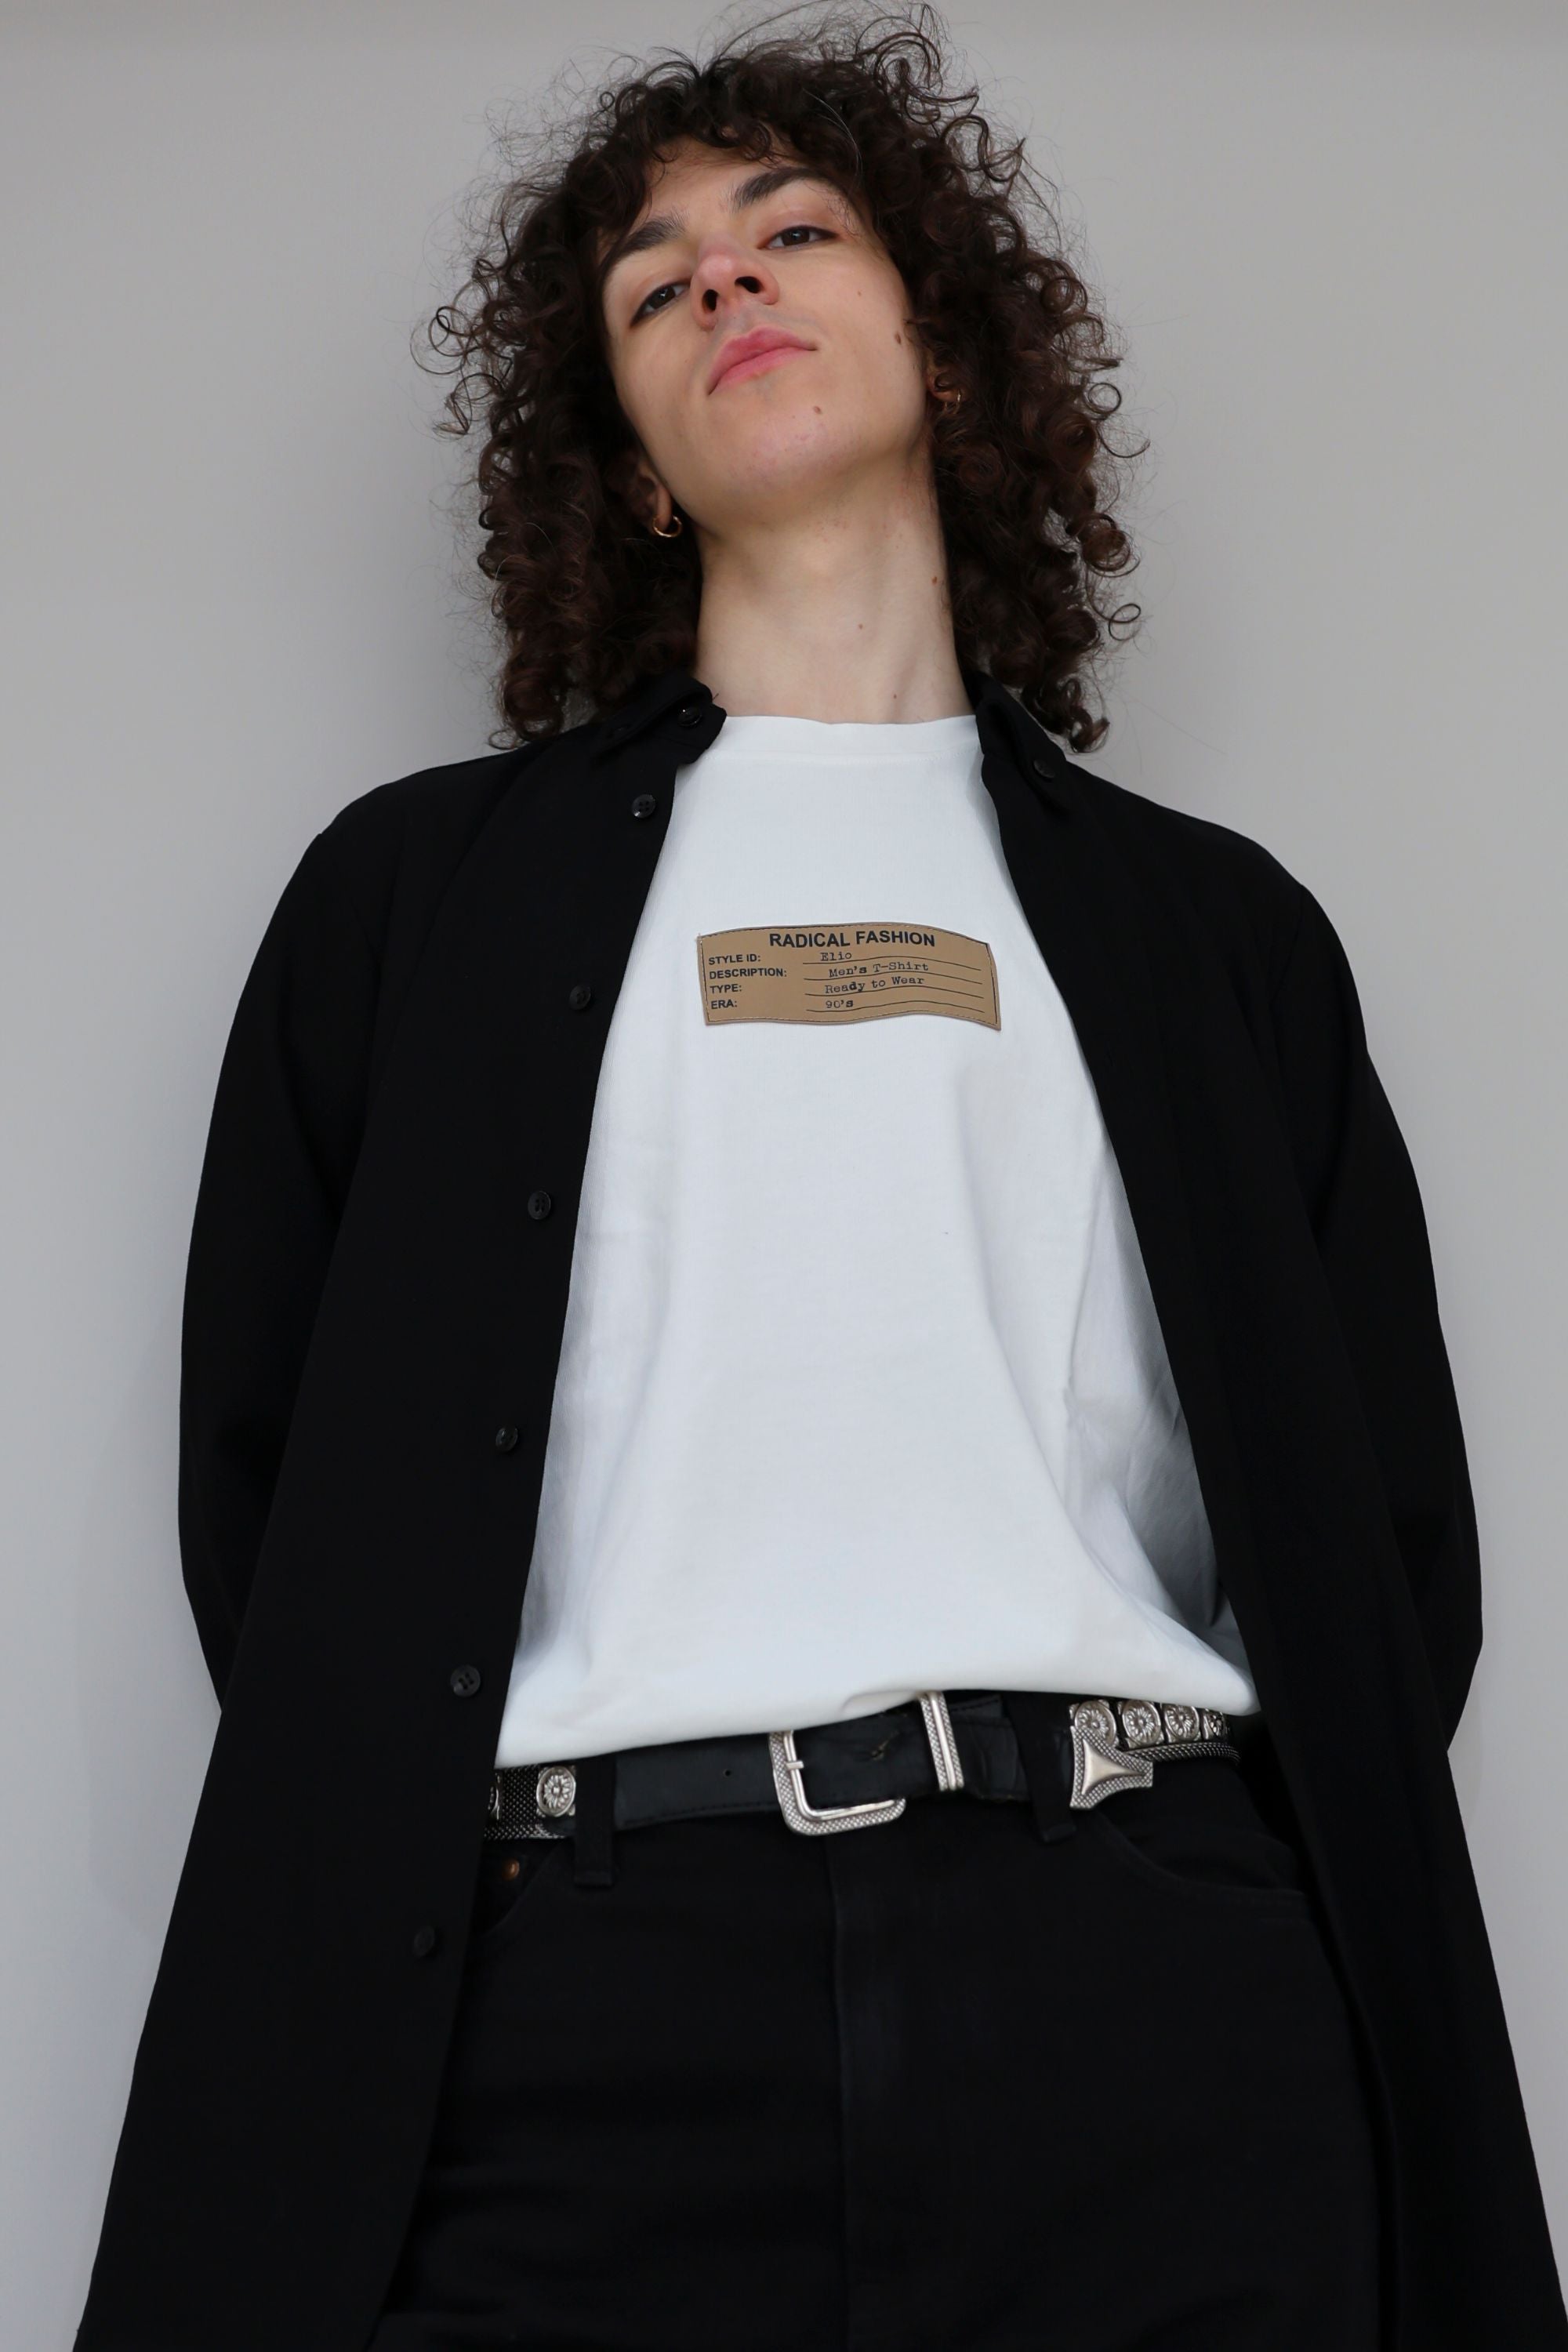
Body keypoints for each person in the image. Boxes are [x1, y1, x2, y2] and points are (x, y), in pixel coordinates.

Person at [74, 12, 1568, 2351]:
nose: (722, 278)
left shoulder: (1218, 936)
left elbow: (1382, 1549)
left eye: (792, 227)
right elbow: (280, 1519)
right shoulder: (413, 911)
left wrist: (1198, 1911)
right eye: (653, 280)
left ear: (946, 353)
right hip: (573, 2023)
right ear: (634, 468)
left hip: (1152, 2007)